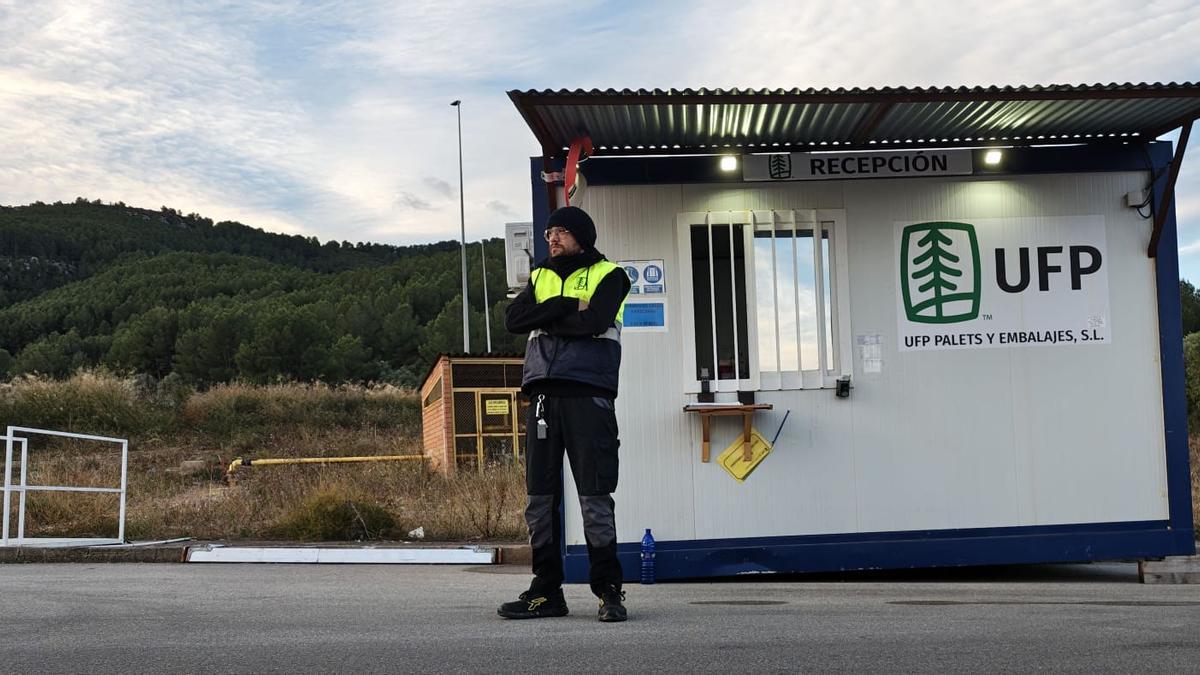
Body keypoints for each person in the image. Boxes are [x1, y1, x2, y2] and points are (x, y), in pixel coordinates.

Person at [498, 205, 632, 622]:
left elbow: (594, 322)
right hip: (541, 395)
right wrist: (562, 305)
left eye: (560, 232)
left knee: (594, 496)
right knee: (539, 498)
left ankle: (609, 591)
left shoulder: (611, 275)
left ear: (582, 236)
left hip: (588, 393)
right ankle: (546, 591)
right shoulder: (539, 277)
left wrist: (555, 313)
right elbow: (513, 320)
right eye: (548, 233)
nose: (551, 239)